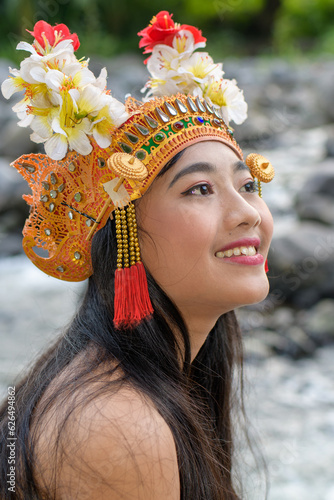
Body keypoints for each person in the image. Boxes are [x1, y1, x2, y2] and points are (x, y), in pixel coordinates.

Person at [0, 11, 274, 499]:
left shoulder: (152, 378)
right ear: (124, 224)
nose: (247, 213)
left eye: (247, 185)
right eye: (201, 189)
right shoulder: (116, 424)